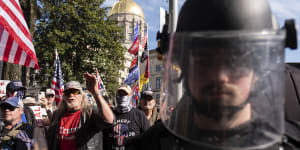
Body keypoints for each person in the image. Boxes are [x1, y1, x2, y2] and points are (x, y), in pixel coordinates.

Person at [128, 0, 299, 150]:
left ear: (258, 69)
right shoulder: (147, 145)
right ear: (183, 68)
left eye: (235, 62)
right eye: (204, 61)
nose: (220, 76)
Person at [46, 72, 114, 150]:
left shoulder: (90, 112)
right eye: (68, 93)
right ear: (64, 97)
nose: (71, 95)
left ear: (82, 96)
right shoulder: (57, 115)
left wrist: (95, 92)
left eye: (75, 92)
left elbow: (109, 120)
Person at [103, 85, 150, 150]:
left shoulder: (139, 115)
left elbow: (148, 138)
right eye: (120, 94)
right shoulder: (109, 114)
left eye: (125, 94)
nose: (122, 97)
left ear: (130, 96)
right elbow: (104, 138)